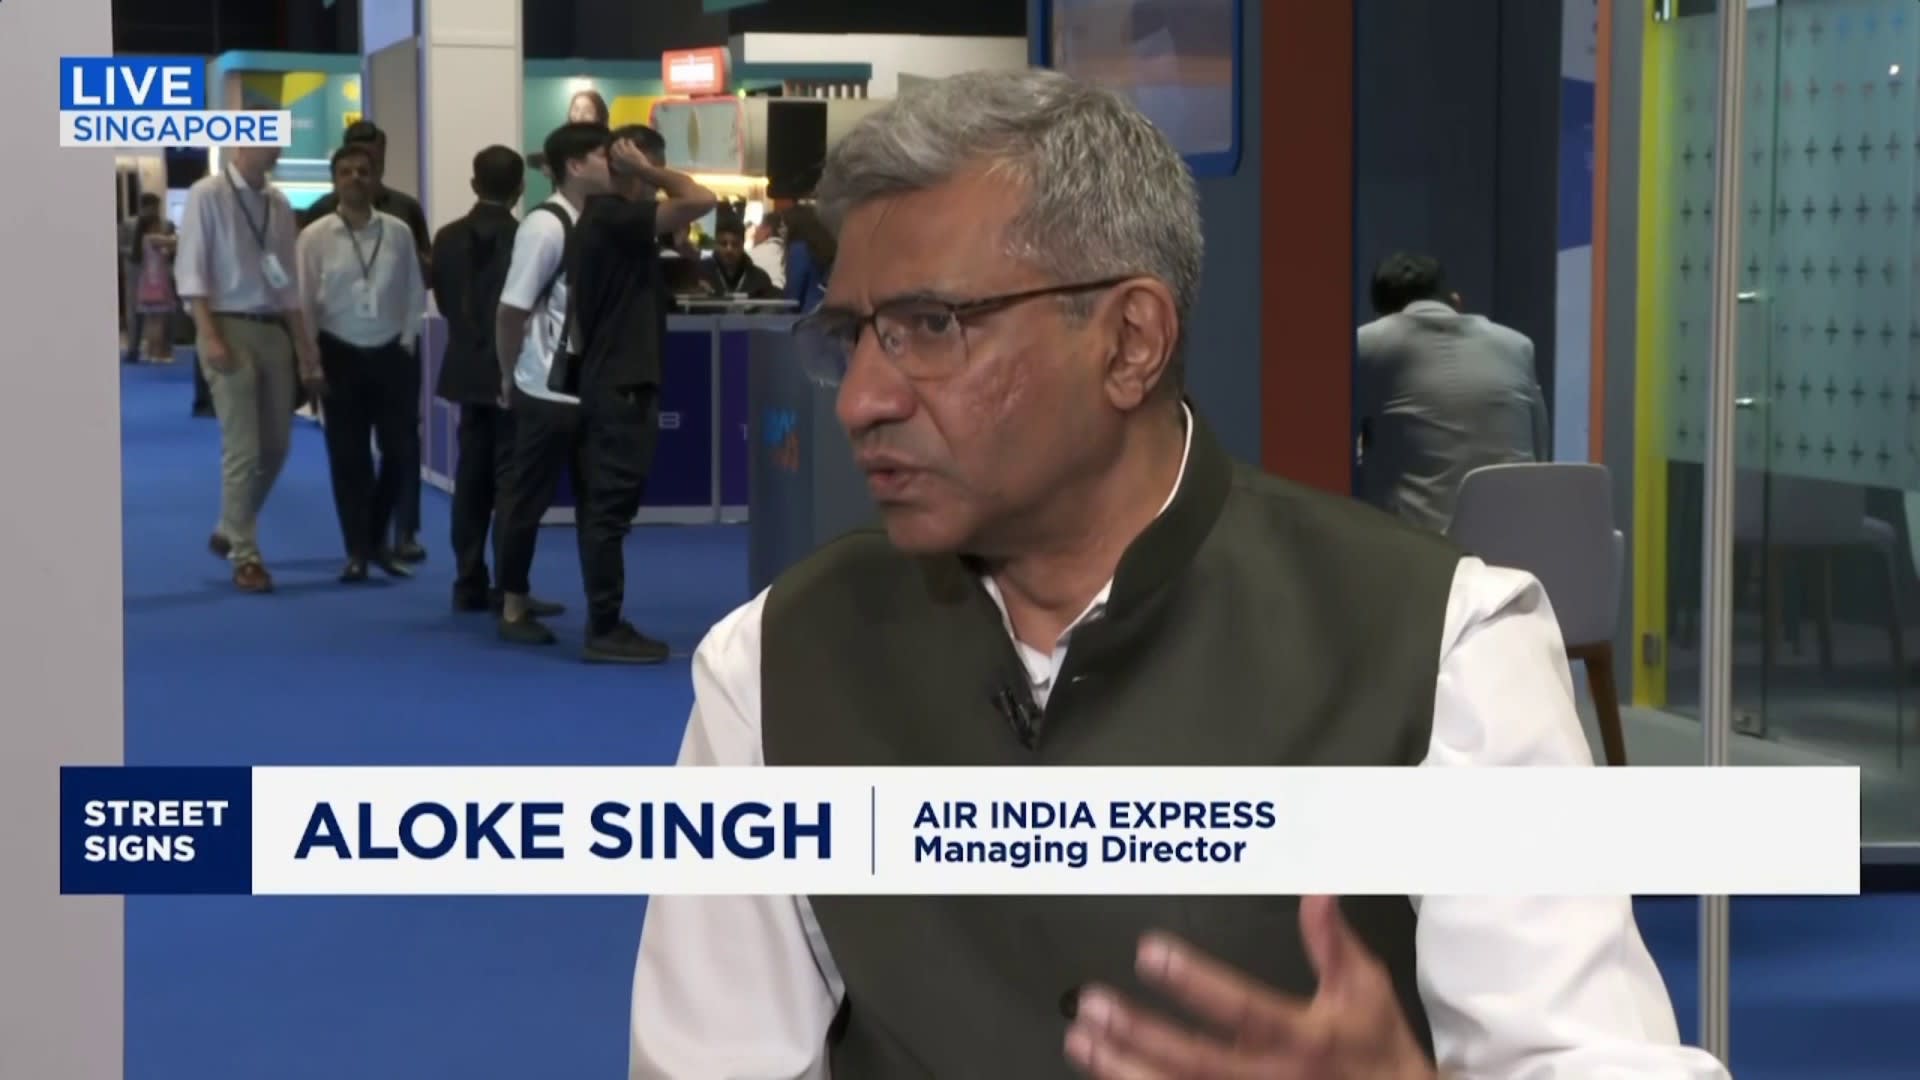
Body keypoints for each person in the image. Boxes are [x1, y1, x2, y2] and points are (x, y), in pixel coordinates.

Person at [625, 70, 1729, 1079]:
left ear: (1129, 342)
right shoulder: (773, 663)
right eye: (854, 337)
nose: (864, 399)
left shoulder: (1446, 650)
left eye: (930, 325)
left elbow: (1591, 1057)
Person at [561, 125, 716, 662]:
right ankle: (604, 627)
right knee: (607, 513)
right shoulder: (612, 215)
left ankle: (604, 621)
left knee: (603, 512)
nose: (655, 183)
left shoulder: (610, 223)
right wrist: (646, 170)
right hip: (619, 385)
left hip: (612, 380)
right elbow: (701, 199)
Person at [174, 144, 324, 594]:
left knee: (277, 446)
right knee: (243, 447)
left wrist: (304, 347)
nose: (275, 149)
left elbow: (287, 283)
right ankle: (246, 556)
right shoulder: (208, 194)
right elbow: (192, 270)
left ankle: (230, 525)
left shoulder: (278, 203)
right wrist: (208, 335)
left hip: (272, 328)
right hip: (225, 323)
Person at [428, 146, 564, 619]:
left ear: (473, 183)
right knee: (511, 484)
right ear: (520, 188)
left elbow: (445, 301)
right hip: (515, 370)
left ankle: (468, 580)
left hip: (466, 369)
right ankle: (510, 589)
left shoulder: (446, 238)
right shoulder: (527, 236)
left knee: (470, 479)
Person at [491, 122, 611, 646]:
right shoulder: (545, 226)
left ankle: (521, 591)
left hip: (588, 387)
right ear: (575, 166)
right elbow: (511, 309)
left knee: (590, 504)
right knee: (525, 501)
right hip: (545, 388)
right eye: (604, 155)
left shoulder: (596, 220)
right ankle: (512, 603)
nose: (612, 164)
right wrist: (508, 373)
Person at [303, 120, 435, 562]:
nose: (356, 178)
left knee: (400, 451)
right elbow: (303, 296)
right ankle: (359, 550)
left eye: (365, 169)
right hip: (338, 350)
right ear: (335, 179)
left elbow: (417, 282)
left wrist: (409, 339)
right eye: (347, 171)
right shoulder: (316, 227)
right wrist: (309, 359)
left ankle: (396, 531)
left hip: (394, 351)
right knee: (349, 456)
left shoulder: (401, 221)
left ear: (377, 170)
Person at [1354, 252, 1551, 534]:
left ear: (1381, 316)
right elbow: (1541, 455)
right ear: (1456, 302)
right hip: (1519, 546)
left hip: (1421, 551)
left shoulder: (1367, 343)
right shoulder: (1518, 346)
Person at [127, 195, 179, 364]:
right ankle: (158, 353)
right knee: (159, 321)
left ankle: (151, 352)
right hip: (157, 283)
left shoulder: (145, 239)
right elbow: (173, 242)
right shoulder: (152, 238)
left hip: (148, 283)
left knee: (152, 320)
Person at [695, 218, 779, 299]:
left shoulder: (760, 279)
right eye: (723, 244)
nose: (729, 250)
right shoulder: (700, 273)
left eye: (735, 244)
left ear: (742, 245)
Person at [781, 202, 834, 311]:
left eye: (783, 226)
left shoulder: (799, 249)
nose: (780, 230)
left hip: (807, 312)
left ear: (795, 226)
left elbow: (794, 291)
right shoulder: (827, 247)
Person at [746, 209, 787, 289]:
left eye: (758, 228)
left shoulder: (750, 256)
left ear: (767, 230)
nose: (754, 235)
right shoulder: (790, 257)